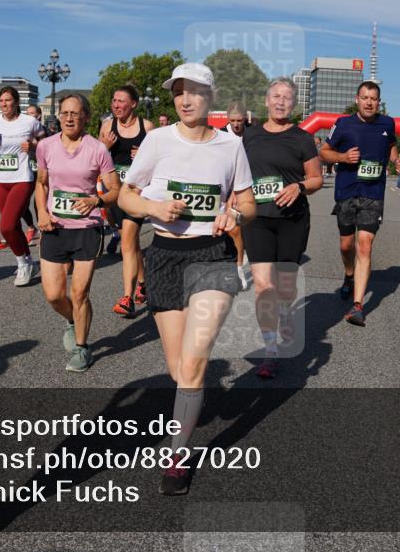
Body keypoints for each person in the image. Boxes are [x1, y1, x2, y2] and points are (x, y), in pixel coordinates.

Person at [119, 63, 255, 495]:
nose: (185, 98)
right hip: (163, 256)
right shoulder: (158, 140)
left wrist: (233, 213)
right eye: (179, 91)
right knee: (180, 370)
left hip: (212, 256)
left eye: (194, 91)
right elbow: (126, 194)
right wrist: (152, 209)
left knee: (195, 362)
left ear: (210, 97)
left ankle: (176, 454)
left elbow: (249, 204)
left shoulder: (231, 146)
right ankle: (191, 398)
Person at [241, 79, 323, 378]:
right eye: (275, 96)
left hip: (292, 221)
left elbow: (316, 179)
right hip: (258, 220)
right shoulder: (249, 136)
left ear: (294, 104)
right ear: (266, 101)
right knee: (264, 285)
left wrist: (299, 187)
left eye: (287, 98)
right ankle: (270, 351)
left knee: (284, 288)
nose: (280, 102)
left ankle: (285, 314)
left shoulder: (302, 139)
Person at [36, 94, 119, 372]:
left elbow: (115, 190)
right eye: (64, 113)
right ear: (59, 116)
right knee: (53, 295)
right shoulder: (45, 146)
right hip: (55, 228)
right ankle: (72, 320)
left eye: (75, 113)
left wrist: (96, 200)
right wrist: (42, 213)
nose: (69, 118)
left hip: (87, 228)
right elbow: (41, 184)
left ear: (86, 117)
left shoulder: (98, 150)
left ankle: (82, 348)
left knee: (80, 291)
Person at [319, 81, 400, 326]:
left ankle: (358, 306)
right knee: (347, 246)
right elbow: (324, 152)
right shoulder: (343, 124)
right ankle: (349, 275)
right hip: (346, 191)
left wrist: (396, 162)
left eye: (373, 98)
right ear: (357, 99)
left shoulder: (387, 124)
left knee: (364, 245)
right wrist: (343, 157)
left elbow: (391, 146)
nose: (369, 102)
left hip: (373, 194)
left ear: (379, 102)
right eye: (364, 97)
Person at [0, 86, 45, 286]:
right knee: (13, 225)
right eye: (1, 101)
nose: (4, 104)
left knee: (6, 226)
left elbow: (45, 143)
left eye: (7, 100)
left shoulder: (29, 122)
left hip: (22, 178)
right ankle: (28, 261)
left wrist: (33, 147)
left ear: (16, 102)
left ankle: (22, 264)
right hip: (0, 180)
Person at [99, 85, 154, 316]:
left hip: (135, 193)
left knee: (128, 243)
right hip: (113, 193)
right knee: (130, 243)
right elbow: (96, 158)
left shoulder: (147, 127)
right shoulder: (107, 126)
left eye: (121, 101)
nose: (116, 105)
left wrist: (143, 155)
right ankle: (143, 283)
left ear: (133, 104)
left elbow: (160, 159)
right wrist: (105, 147)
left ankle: (127, 298)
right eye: (114, 100)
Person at [221, 102, 250, 289]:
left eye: (239, 121)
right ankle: (234, 266)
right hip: (224, 186)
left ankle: (239, 267)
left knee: (237, 229)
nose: (236, 124)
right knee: (231, 229)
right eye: (232, 121)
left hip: (245, 185)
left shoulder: (252, 134)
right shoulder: (219, 134)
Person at [22, 105, 45, 245]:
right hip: (26, 170)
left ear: (39, 116)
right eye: (27, 113)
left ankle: (43, 231)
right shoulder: (23, 131)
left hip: (41, 171)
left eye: (32, 113)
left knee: (39, 203)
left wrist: (35, 146)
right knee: (22, 202)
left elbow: (48, 149)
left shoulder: (45, 131)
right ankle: (31, 227)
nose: (29, 116)